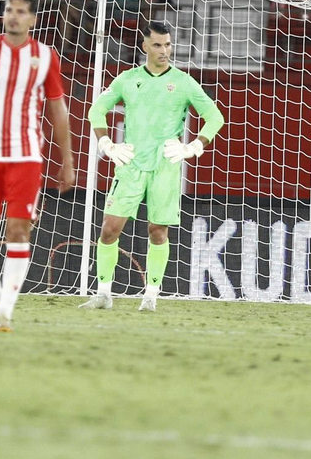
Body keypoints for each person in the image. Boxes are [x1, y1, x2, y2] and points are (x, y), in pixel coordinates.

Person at [83, 21, 225, 312]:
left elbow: (215, 117)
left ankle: (150, 295)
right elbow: (97, 110)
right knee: (110, 229)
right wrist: (107, 144)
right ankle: (103, 294)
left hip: (165, 165)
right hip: (131, 163)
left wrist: (193, 146)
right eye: (158, 45)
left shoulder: (183, 81)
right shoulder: (127, 79)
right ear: (145, 46)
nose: (164, 50)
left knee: (157, 231)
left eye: (168, 44)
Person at [0, 0, 76, 331]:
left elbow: (58, 110)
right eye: (9, 10)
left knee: (19, 229)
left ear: (33, 20)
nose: (13, 16)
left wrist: (67, 160)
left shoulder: (45, 57)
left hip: (25, 156)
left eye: (21, 12)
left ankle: (7, 308)